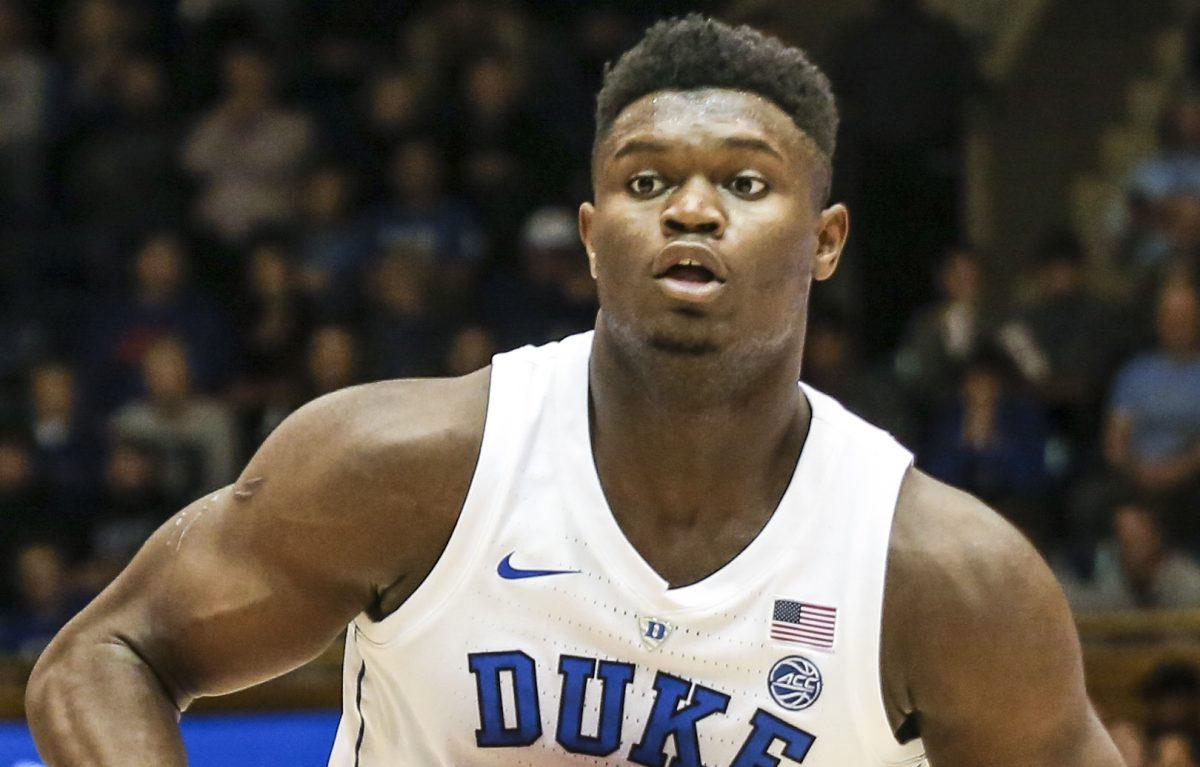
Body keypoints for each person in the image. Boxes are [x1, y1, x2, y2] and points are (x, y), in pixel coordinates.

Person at [27, 16, 1122, 766]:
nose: (691, 210)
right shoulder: (408, 468)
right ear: (595, 236)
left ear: (826, 240)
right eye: (647, 182)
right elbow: (107, 653)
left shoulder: (943, 578)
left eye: (745, 183)